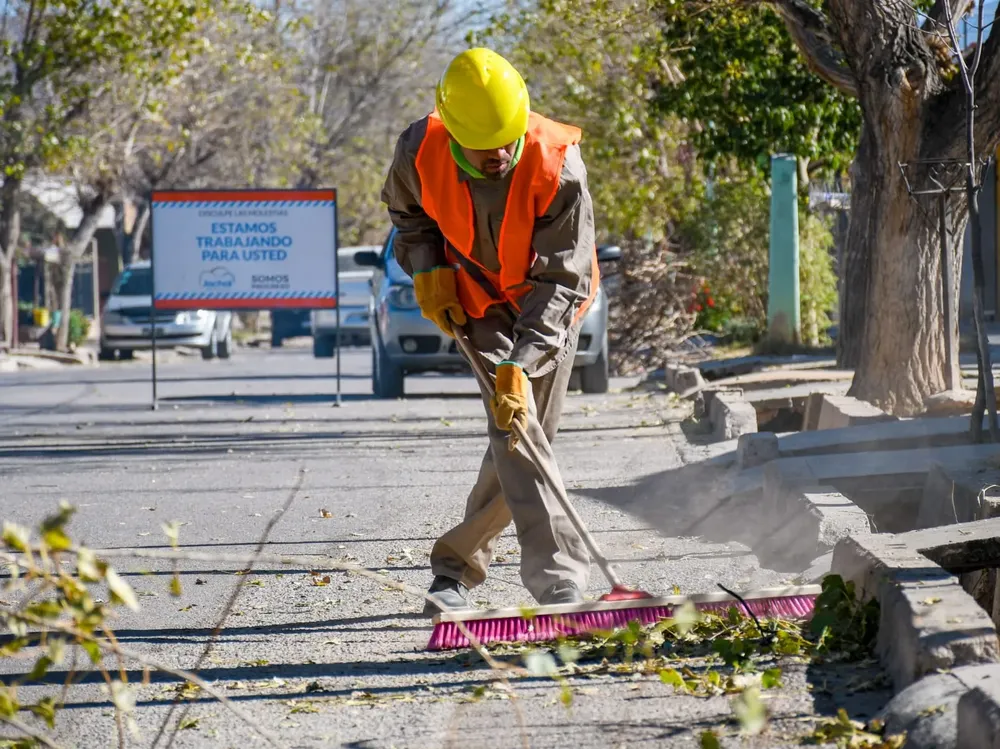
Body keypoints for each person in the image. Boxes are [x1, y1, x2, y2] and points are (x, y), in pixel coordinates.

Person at [380, 48, 600, 614]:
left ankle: (455, 570)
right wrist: (428, 271)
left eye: (508, 137)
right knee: (517, 435)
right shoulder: (418, 149)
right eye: (485, 144)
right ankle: (559, 581)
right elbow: (410, 216)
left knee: (518, 429)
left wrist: (520, 365)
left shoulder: (558, 166)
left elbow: (560, 279)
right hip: (474, 298)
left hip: (547, 304)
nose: (501, 152)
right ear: (452, 133)